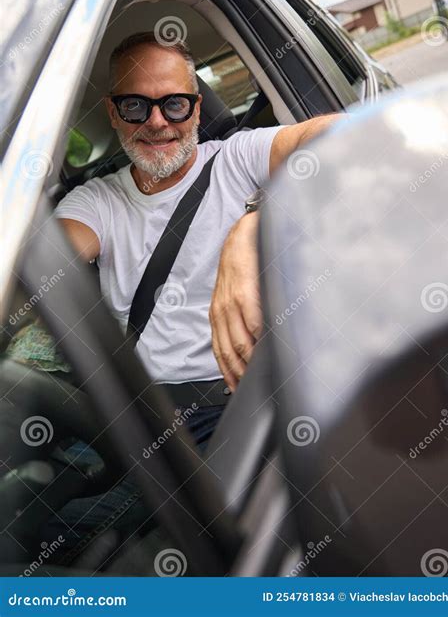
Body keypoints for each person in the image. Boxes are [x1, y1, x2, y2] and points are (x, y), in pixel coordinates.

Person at [49, 31, 341, 558]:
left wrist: (253, 226)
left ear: (197, 107)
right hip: (130, 409)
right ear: (113, 114)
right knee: (37, 518)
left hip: (231, 405)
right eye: (135, 105)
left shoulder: (237, 158)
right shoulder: (97, 200)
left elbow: (344, 134)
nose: (157, 122)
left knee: (194, 550)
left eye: (174, 103)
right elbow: (49, 255)